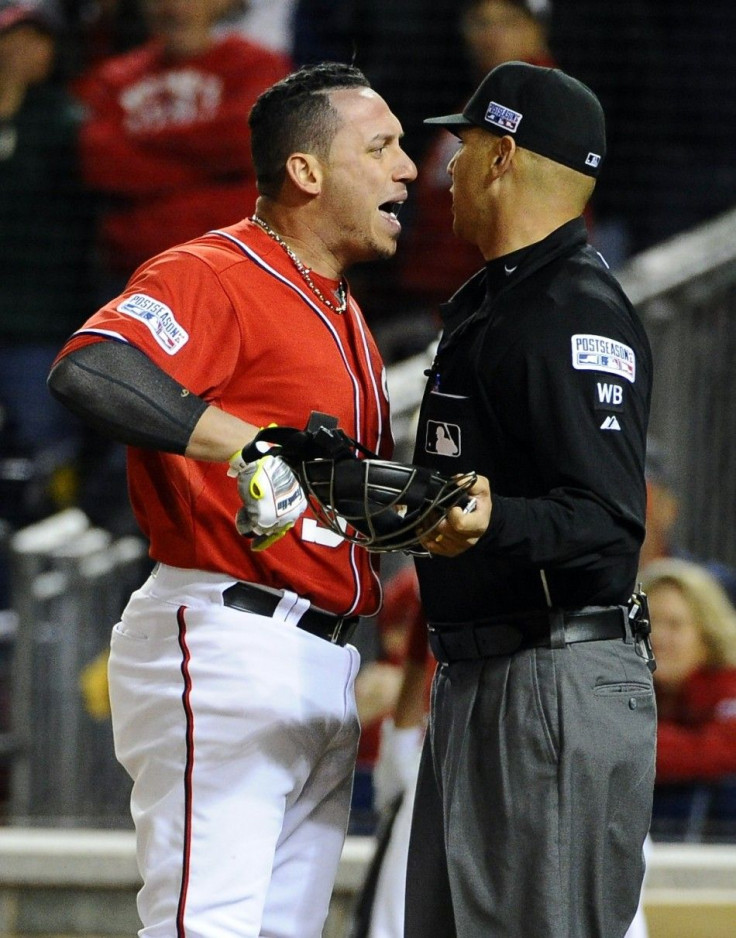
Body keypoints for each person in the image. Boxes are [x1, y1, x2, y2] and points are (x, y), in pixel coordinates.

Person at [47, 61, 417, 936]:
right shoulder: (218, 270)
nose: (409, 167)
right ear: (306, 171)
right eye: (383, 146)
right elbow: (92, 369)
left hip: (322, 657)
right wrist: (242, 442)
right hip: (228, 633)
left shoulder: (341, 308)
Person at [402, 61, 655, 937]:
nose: (448, 167)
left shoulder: (570, 312)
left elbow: (610, 525)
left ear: (503, 156)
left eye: (464, 145)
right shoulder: (498, 302)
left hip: (550, 680)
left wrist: (490, 519)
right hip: (489, 676)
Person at [71, 0, 291, 299]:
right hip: (138, 273)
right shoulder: (113, 78)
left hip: (239, 266)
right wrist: (209, 165)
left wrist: (144, 145)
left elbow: (247, 140)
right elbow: (102, 163)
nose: (174, 8)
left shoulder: (256, 64)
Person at [641, 557, 736, 831]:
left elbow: (724, 751)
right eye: (649, 624)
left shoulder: (726, 683)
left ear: (707, 633)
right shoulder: (628, 689)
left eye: (674, 624)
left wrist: (637, 746)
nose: (657, 637)